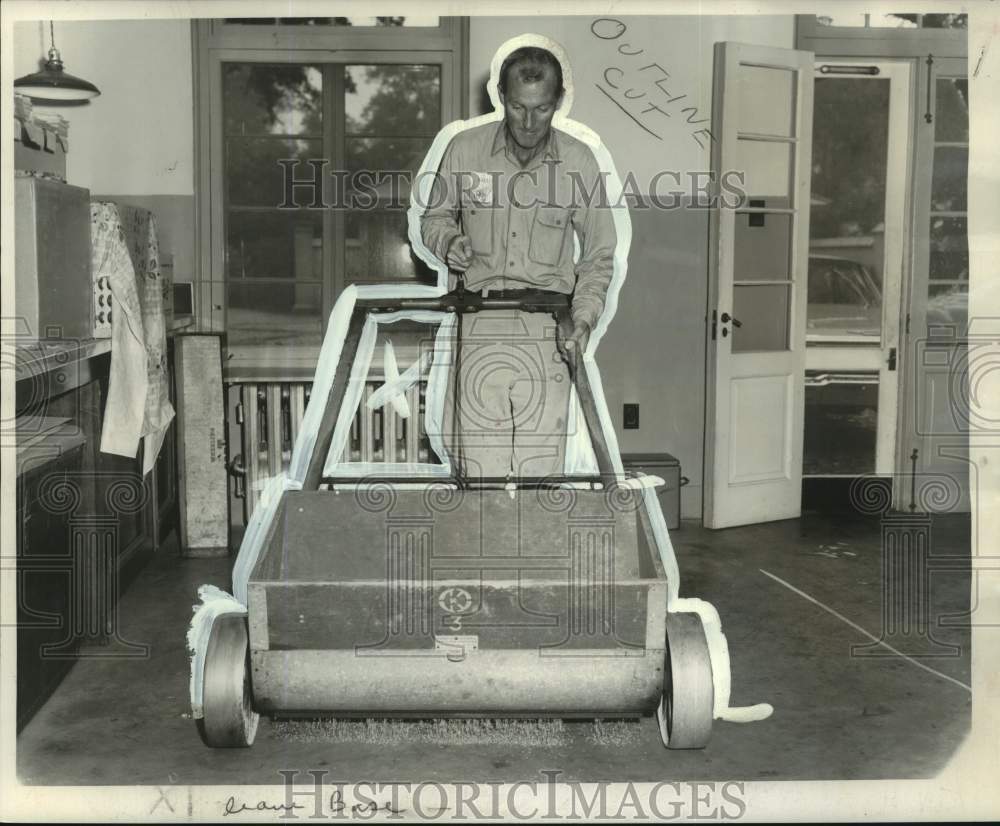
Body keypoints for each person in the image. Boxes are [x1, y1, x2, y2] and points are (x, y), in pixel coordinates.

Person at [420, 45, 617, 479]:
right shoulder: (463, 150)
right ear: (500, 96)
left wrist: (583, 319)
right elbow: (432, 218)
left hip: (548, 330)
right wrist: (447, 239)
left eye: (542, 108)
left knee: (540, 473)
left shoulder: (580, 162)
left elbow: (600, 254)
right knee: (477, 471)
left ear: (559, 101)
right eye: (517, 107)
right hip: (478, 321)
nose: (529, 123)